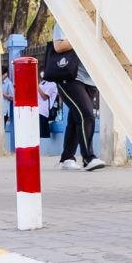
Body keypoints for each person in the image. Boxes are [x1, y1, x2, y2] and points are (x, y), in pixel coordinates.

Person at [43, 34, 101, 170]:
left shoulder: (94, 24)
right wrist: (84, 38)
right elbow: (58, 47)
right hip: (70, 77)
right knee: (87, 115)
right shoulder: (63, 22)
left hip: (90, 80)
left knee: (76, 119)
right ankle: (89, 158)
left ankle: (66, 158)